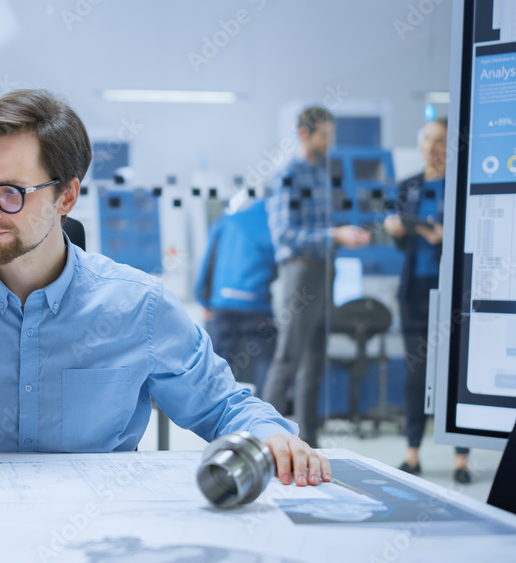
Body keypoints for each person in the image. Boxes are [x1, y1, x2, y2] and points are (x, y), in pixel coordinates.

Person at [0, 89, 331, 487]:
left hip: (99, 536)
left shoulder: (139, 307)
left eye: (11, 193)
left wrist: (274, 436)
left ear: (66, 197)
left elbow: (227, 408)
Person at [263, 106, 371, 448]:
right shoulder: (288, 176)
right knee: (288, 359)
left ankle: (306, 442)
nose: (330, 143)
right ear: (305, 135)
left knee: (315, 363)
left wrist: (343, 236)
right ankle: (263, 439)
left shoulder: (323, 175)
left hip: (326, 273)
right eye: (325, 136)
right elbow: (284, 235)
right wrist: (335, 235)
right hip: (300, 273)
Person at [384, 117, 471, 483]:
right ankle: (413, 453)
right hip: (415, 293)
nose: (433, 148)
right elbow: (400, 240)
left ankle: (461, 459)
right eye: (429, 140)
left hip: (452, 291)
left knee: (455, 373)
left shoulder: (461, 185)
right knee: (415, 374)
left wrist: (446, 239)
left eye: (441, 142)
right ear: (421, 145)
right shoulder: (408, 186)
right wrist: (395, 229)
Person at [195, 196, 277, 397]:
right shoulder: (273, 220)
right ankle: (263, 417)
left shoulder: (226, 220)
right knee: (266, 361)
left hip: (223, 303)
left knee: (217, 364)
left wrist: (203, 298)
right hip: (258, 305)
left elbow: (208, 261)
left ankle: (216, 417)